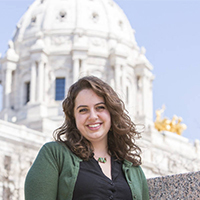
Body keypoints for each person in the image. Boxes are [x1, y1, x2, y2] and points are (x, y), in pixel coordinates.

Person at [25, 76, 149, 200]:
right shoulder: (54, 154)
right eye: (83, 110)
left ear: (112, 113)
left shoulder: (133, 169)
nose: (93, 116)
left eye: (100, 107)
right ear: (73, 118)